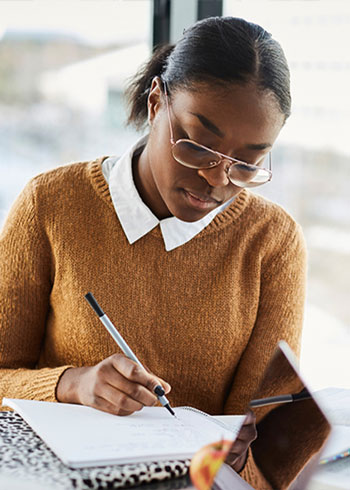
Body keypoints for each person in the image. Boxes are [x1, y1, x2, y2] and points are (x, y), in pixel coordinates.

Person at [0, 16, 308, 488]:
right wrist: (72, 385)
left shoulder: (272, 241)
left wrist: (252, 452)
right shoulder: (52, 203)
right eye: (199, 145)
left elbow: (264, 449)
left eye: (247, 163)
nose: (217, 179)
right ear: (155, 102)